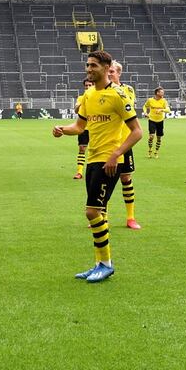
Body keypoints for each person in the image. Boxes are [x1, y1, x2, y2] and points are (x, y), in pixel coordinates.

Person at [52, 50, 142, 283]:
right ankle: (98, 263)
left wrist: (116, 154)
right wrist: (63, 129)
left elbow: (137, 131)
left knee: (92, 211)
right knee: (98, 212)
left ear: (106, 67)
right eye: (88, 65)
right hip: (93, 160)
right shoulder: (89, 95)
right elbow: (80, 127)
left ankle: (106, 264)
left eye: (93, 65)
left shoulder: (119, 95)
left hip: (109, 162)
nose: (89, 69)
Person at [109, 60, 141, 230]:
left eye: (112, 72)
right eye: (108, 71)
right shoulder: (98, 90)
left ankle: (130, 217)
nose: (109, 74)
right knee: (103, 181)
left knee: (126, 178)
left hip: (124, 142)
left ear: (119, 73)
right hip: (106, 143)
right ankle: (101, 216)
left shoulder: (128, 90)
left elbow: (127, 110)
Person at [143, 87, 172, 159]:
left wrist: (161, 110)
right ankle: (150, 150)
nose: (163, 93)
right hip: (152, 120)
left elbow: (168, 110)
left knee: (159, 138)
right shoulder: (150, 100)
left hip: (160, 121)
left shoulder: (164, 101)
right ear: (157, 93)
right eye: (161, 92)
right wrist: (145, 112)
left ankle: (156, 152)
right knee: (151, 136)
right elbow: (145, 106)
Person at [73, 78, 92, 180]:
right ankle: (79, 172)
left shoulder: (97, 96)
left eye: (90, 85)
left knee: (97, 150)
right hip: (83, 127)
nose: (88, 87)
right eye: (86, 86)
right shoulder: (81, 98)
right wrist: (79, 105)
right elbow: (76, 110)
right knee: (82, 149)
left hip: (96, 127)